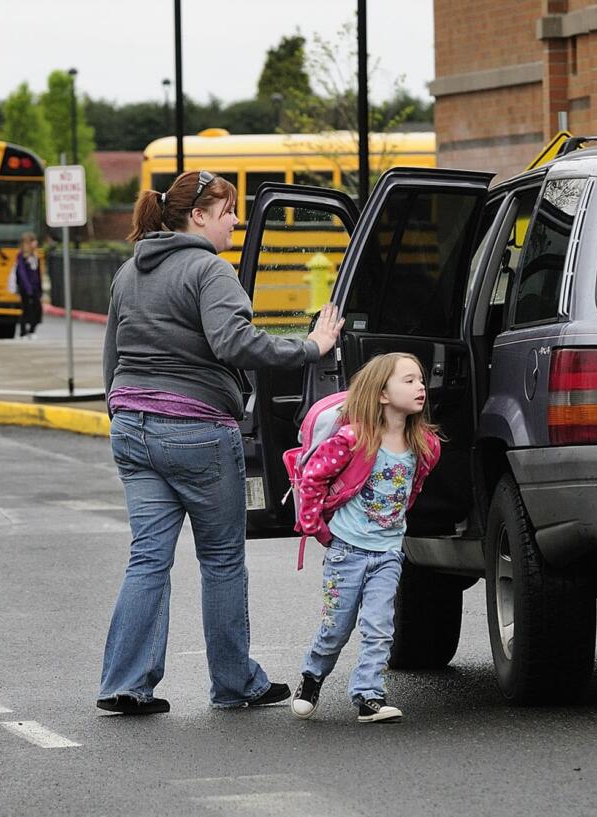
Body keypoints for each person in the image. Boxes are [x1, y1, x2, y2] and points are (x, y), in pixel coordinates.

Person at [97, 170, 344, 715]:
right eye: (229, 209)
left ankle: (125, 683)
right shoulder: (210, 270)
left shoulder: (127, 272)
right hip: (196, 430)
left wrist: (121, 408)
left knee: (147, 559)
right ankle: (235, 684)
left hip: (132, 428)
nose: (236, 219)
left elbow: (112, 359)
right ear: (199, 216)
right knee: (222, 560)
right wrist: (310, 346)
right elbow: (235, 342)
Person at [289, 352, 441, 724]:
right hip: (346, 551)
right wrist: (316, 527)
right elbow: (312, 478)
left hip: (388, 552)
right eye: (408, 381)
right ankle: (312, 677)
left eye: (420, 379)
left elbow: (412, 489)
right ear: (382, 394)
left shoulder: (424, 445)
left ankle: (368, 696)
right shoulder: (354, 438)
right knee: (335, 627)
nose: (419, 387)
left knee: (379, 626)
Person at [11, 232, 43, 337]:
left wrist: (39, 288)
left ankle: (31, 329)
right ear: (28, 243)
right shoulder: (22, 257)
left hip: (35, 287)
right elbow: (22, 273)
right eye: (33, 241)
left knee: (37, 309)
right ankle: (23, 331)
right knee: (26, 309)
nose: (36, 243)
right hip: (26, 288)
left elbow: (38, 273)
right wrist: (28, 288)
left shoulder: (35, 256)